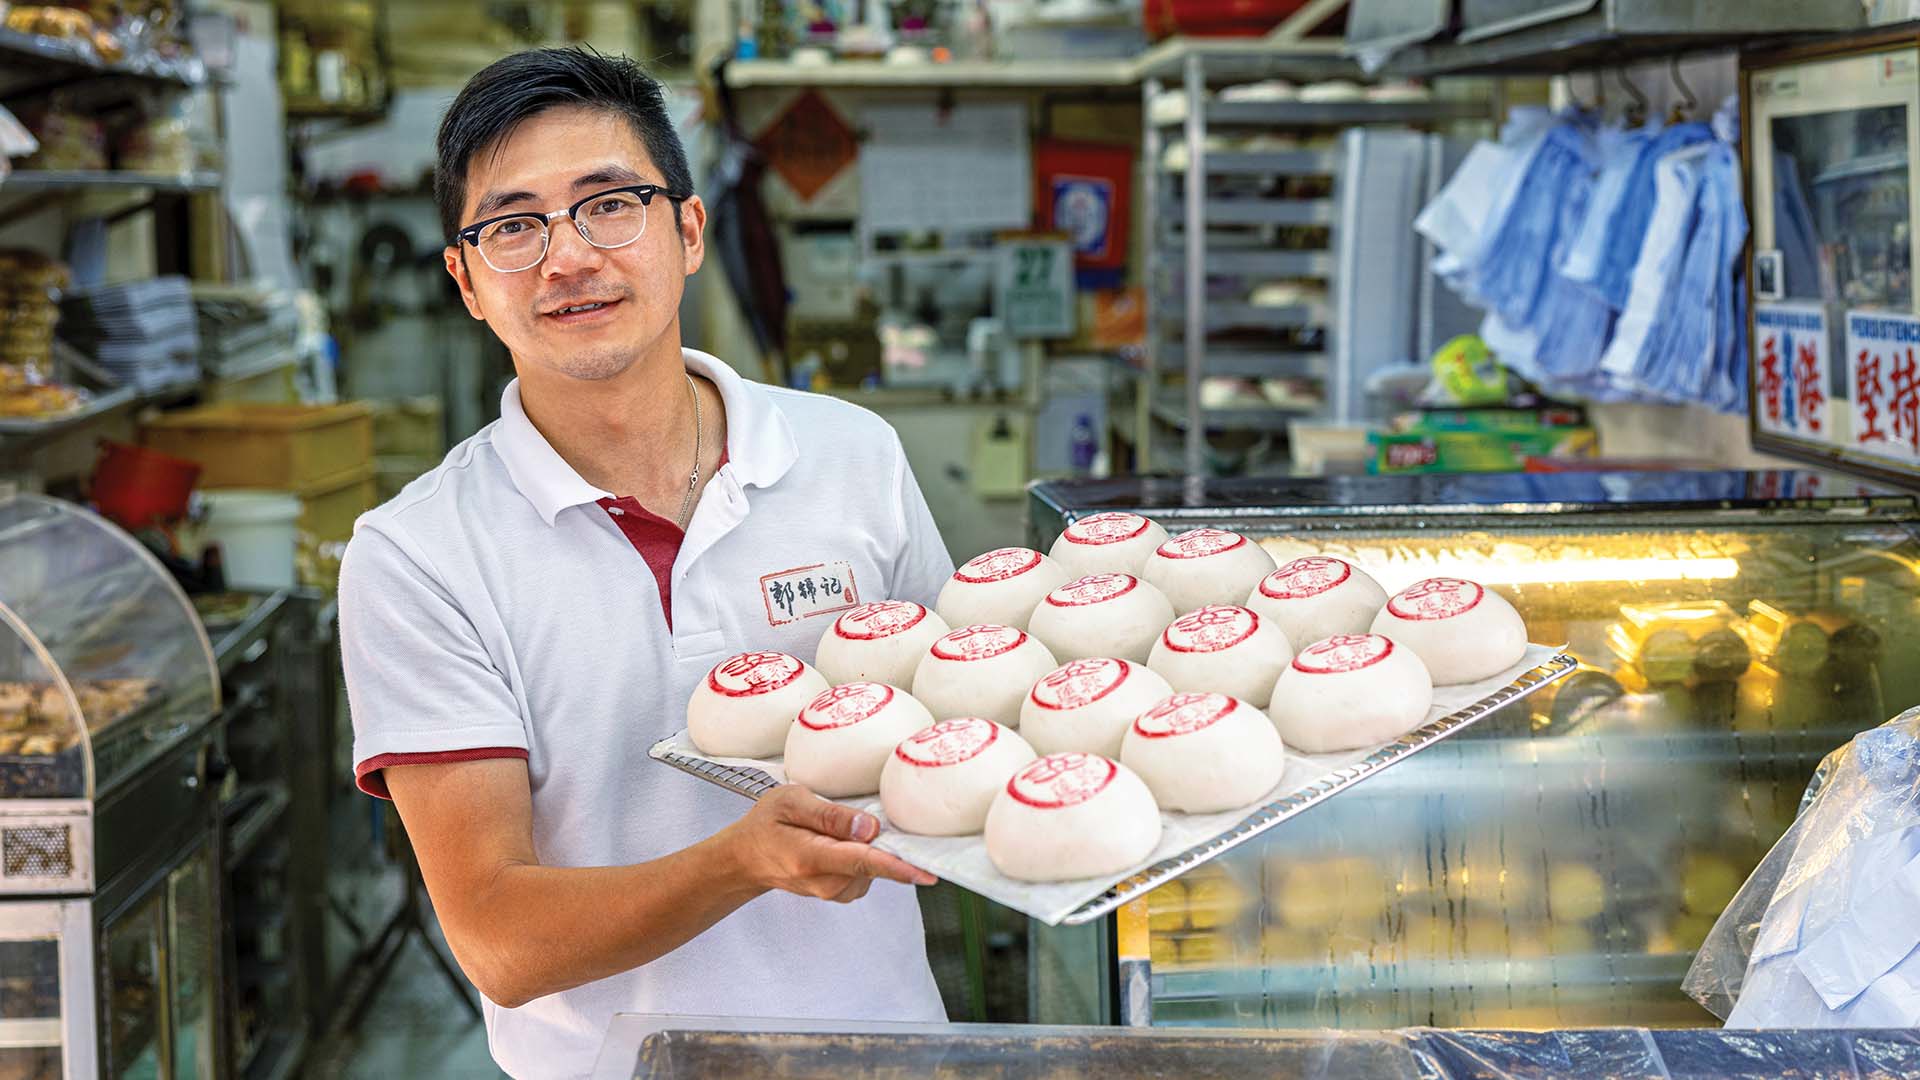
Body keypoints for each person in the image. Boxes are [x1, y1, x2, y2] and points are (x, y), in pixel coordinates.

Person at [337, 46, 952, 1079]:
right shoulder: (417, 556)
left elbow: (961, 727)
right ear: (466, 281)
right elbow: (497, 939)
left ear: (689, 230)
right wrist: (739, 861)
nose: (568, 257)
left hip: (885, 1054)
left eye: (610, 204)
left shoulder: (853, 456)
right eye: (513, 226)